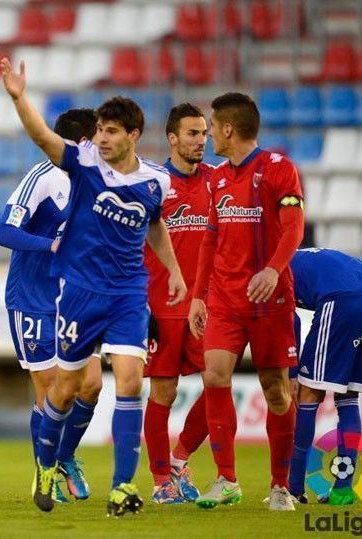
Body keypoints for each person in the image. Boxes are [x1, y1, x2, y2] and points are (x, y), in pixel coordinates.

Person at [1, 58, 187, 517]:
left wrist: (176, 273)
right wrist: (20, 98)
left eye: (109, 131)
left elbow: (155, 226)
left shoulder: (156, 181)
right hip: (79, 293)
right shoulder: (82, 164)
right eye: (98, 130)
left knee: (128, 381)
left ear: (131, 135)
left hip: (127, 294)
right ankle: (48, 464)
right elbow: (43, 137)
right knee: (65, 389)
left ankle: (122, 486)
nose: (100, 138)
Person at [188, 92, 304, 511]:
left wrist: (273, 269)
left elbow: (294, 228)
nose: (210, 134)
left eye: (213, 126)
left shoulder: (279, 169)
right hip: (225, 299)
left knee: (275, 391)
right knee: (214, 376)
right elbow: (210, 240)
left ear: (229, 128)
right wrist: (199, 296)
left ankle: (279, 486)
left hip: (270, 301)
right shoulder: (216, 178)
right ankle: (227, 479)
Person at [0, 108, 102, 503]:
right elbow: (3, 231)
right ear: (84, 142)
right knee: (52, 392)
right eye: (99, 136)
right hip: (33, 301)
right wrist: (50, 244)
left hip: (75, 300)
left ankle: (65, 457)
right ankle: (46, 471)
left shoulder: (95, 181)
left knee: (91, 385)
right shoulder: (41, 178)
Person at [143, 103, 213, 504]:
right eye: (192, 133)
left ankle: (180, 458)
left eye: (203, 133)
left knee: (217, 380)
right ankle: (159, 482)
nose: (201, 140)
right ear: (172, 138)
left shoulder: (217, 183)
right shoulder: (153, 184)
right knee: (163, 392)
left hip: (204, 305)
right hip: (162, 304)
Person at [287, 248, 362, 506]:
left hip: (343, 300)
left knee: (308, 392)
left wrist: (291, 373)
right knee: (348, 395)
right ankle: (342, 490)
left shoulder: (273, 270)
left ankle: (294, 489)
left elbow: (292, 323)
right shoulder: (302, 256)